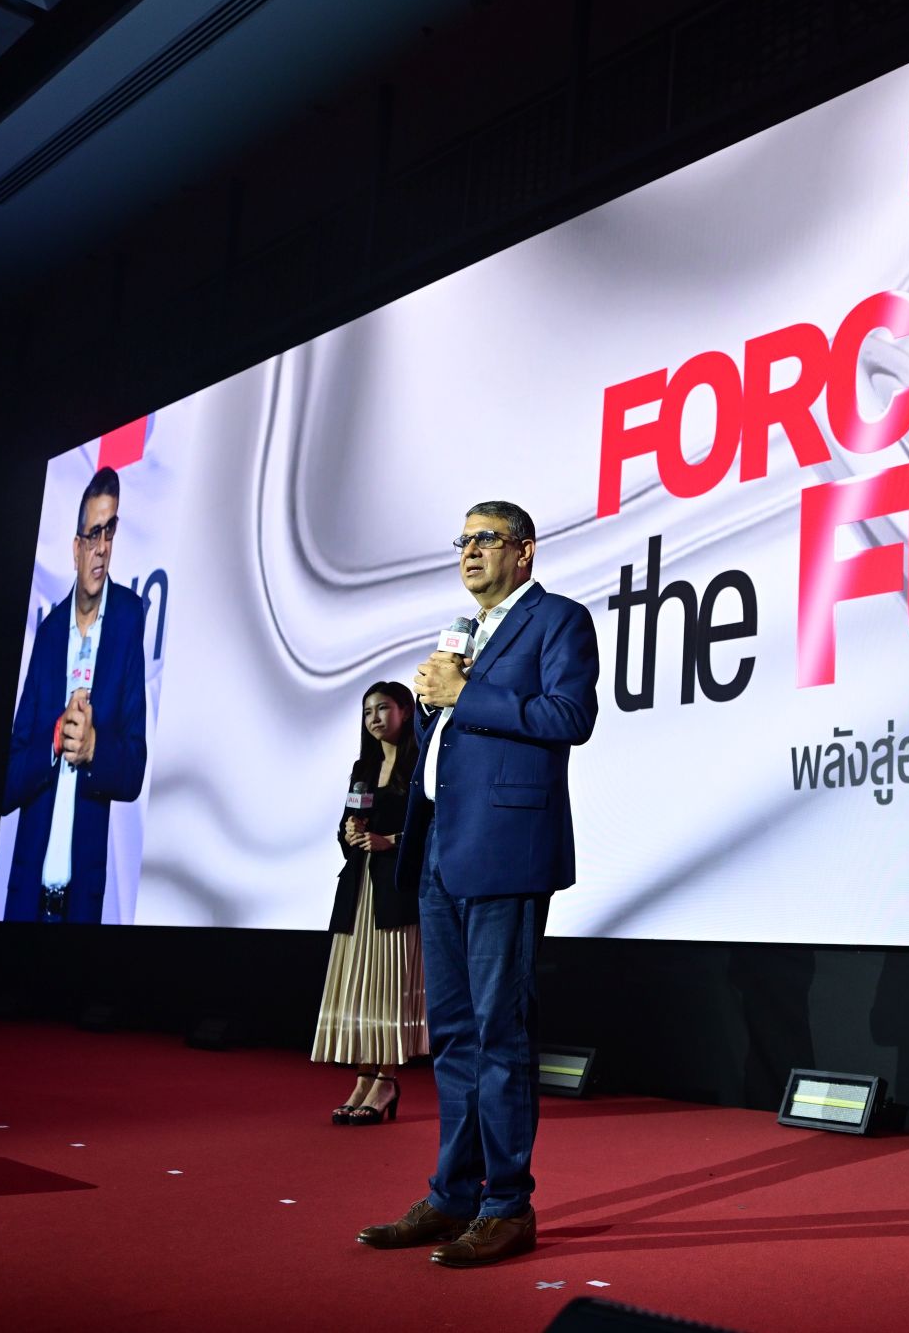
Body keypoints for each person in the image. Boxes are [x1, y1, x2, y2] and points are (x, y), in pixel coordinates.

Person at [357, 500, 599, 1269]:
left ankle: (507, 1206)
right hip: (439, 847)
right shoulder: (461, 635)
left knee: (501, 1033)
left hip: (505, 852)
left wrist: (465, 692)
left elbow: (571, 715)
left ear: (524, 552)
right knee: (456, 1036)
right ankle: (453, 1194)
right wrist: (439, 700)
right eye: (462, 540)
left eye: (486, 538)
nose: (469, 551)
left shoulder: (558, 621)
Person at [0, 466, 148, 924]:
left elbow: (133, 769)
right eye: (94, 534)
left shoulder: (128, 620)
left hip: (80, 908)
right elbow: (6, 783)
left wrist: (94, 747)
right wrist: (55, 740)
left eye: (110, 530)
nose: (103, 547)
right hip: (26, 904)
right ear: (76, 547)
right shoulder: (47, 634)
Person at [311, 681, 429, 1123]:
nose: (374, 719)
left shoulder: (421, 762)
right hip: (358, 890)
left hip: (396, 893)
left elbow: (433, 828)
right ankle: (363, 1077)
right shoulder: (364, 767)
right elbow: (350, 824)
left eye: (382, 708)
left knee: (388, 989)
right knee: (358, 986)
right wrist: (349, 833)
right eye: (367, 712)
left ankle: (386, 1080)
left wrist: (390, 841)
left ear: (405, 710)